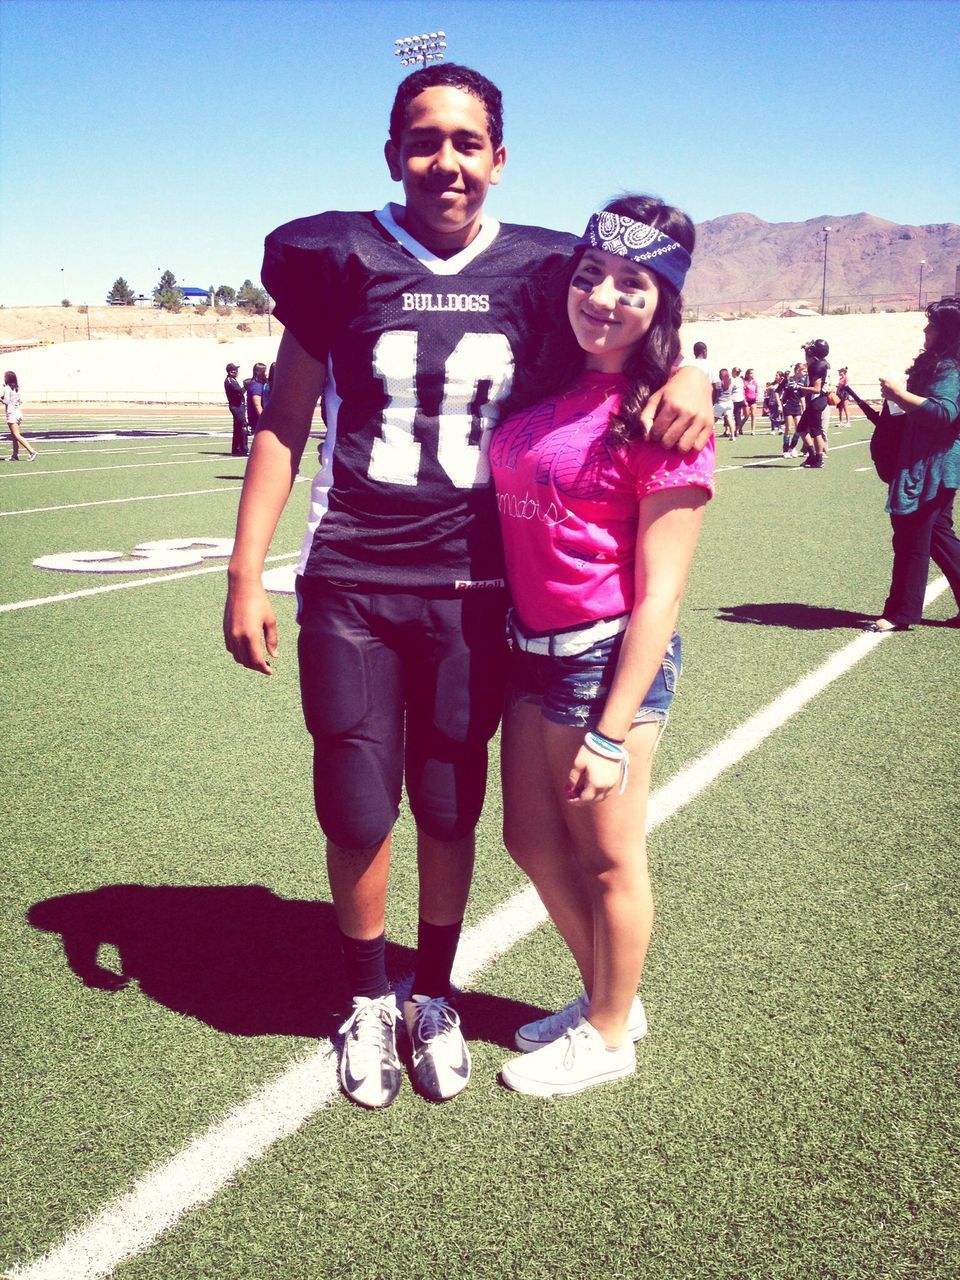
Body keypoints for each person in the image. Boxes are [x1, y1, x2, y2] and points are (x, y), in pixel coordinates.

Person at [223, 63, 713, 1111]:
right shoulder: (334, 257)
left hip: (471, 586)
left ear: (499, 156)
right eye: (424, 138)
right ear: (394, 151)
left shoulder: (543, 269)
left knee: (450, 802)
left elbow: (634, 334)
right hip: (354, 573)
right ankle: (365, 994)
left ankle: (432, 991)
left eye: (467, 140)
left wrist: (694, 372)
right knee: (357, 802)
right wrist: (241, 567)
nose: (446, 159)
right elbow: (284, 418)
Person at [490, 195, 714, 1096]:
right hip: (527, 651)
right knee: (530, 841)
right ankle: (608, 995)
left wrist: (613, 730)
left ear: (663, 299)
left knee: (610, 858)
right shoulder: (548, 383)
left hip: (604, 661)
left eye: (633, 284)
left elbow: (663, 589)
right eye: (591, 277)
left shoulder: (665, 417)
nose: (604, 298)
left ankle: (611, 1034)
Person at [866, 297, 960, 632]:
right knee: (937, 536)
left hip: (931, 465)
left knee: (911, 538)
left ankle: (901, 613)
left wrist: (898, 395)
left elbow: (944, 412)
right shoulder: (941, 363)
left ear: (947, 330)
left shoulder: (948, 368)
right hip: (936, 462)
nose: (926, 329)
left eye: (932, 325)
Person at [797, 339, 830, 468]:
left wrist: (799, 387)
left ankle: (819, 458)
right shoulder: (823, 363)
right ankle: (812, 455)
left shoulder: (817, 366)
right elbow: (810, 358)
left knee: (816, 432)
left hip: (816, 400)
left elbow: (816, 389)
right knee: (801, 429)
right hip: (818, 400)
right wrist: (806, 348)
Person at [2, 371, 37, 461]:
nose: (4, 378)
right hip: (18, 412)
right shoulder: (17, 388)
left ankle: (32, 451)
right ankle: (14, 455)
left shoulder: (7, 388)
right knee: (14, 435)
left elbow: (6, 401)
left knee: (16, 435)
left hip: (11, 413)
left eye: (5, 377)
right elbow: (18, 401)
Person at [781, 361, 805, 457]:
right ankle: (786, 450)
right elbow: (777, 391)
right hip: (788, 406)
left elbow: (802, 396)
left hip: (797, 406)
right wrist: (779, 404)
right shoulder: (787, 380)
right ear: (798, 370)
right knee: (788, 428)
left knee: (799, 429)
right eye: (804, 371)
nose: (805, 373)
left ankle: (792, 447)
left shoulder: (802, 381)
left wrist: (804, 408)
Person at [224, 363, 248, 457]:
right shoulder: (230, 381)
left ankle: (237, 449)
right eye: (235, 370)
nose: (237, 372)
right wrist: (246, 386)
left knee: (238, 428)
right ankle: (242, 448)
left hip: (237, 405)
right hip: (236, 406)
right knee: (242, 427)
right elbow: (239, 392)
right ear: (231, 371)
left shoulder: (232, 380)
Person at [245, 362, 267, 435]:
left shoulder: (258, 384)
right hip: (256, 420)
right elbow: (257, 404)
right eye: (265, 371)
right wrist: (263, 419)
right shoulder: (256, 386)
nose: (266, 374)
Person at [714, 367, 735, 438]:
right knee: (730, 420)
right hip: (729, 403)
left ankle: (708, 435)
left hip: (720, 403)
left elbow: (714, 393)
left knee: (713, 420)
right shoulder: (731, 383)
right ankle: (733, 436)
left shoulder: (718, 384)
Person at [742, 367, 759, 434]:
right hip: (746, 400)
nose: (752, 374)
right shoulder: (745, 382)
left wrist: (756, 397)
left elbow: (757, 391)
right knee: (746, 415)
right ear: (747, 374)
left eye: (753, 373)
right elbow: (743, 392)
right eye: (751, 373)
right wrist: (744, 400)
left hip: (753, 400)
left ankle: (753, 430)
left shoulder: (755, 382)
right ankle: (740, 427)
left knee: (753, 415)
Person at [730, 367, 746, 434]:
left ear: (733, 372)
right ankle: (736, 430)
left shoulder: (732, 380)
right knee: (737, 416)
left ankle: (729, 430)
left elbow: (730, 389)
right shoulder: (740, 380)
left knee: (729, 415)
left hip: (733, 400)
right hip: (740, 399)